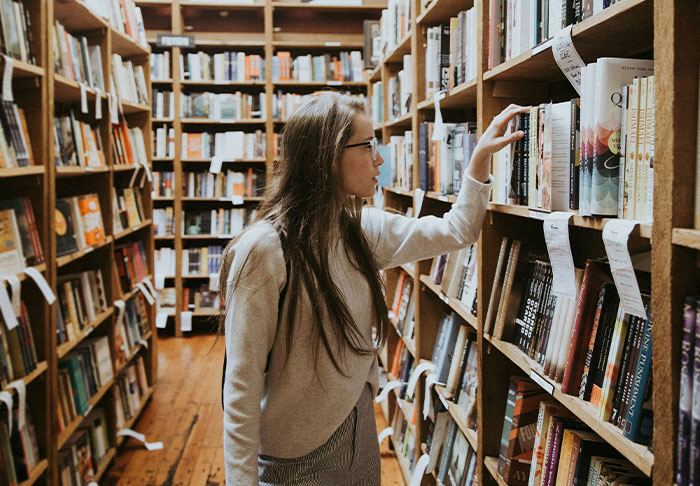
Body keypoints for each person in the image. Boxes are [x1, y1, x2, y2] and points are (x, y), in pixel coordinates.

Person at [218, 91, 527, 486]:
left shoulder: (363, 229)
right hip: (294, 456)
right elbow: (241, 387)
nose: (379, 158)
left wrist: (479, 160)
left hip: (359, 432)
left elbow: (457, 230)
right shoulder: (263, 250)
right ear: (328, 157)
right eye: (368, 146)